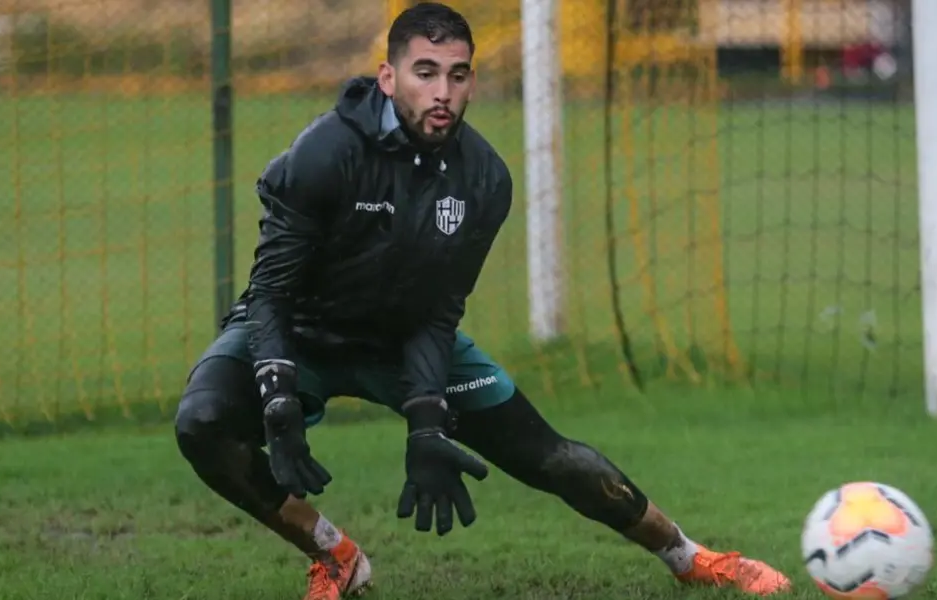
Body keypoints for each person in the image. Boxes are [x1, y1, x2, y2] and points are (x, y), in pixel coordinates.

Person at [173, 3, 791, 599]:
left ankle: (690, 557)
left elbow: (436, 313)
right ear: (388, 78)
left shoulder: (485, 180)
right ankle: (333, 553)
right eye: (425, 73)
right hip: (300, 329)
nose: (442, 92)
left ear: (471, 81)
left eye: (458, 75)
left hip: (402, 335)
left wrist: (426, 421)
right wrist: (278, 396)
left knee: (552, 459)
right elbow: (271, 293)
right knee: (201, 423)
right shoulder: (323, 152)